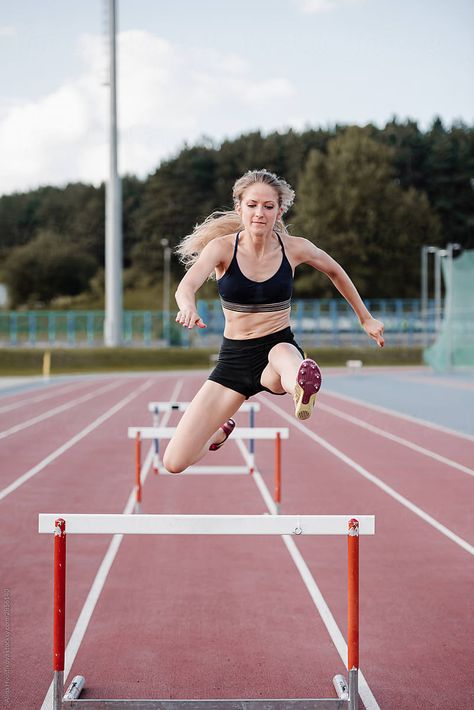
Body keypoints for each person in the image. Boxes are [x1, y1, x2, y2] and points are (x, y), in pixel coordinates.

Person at [163, 169, 384, 474]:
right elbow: (186, 286)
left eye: (268, 207)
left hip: (276, 349)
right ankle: (218, 433)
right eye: (252, 205)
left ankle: (302, 387)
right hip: (234, 361)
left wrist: (366, 317)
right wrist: (188, 307)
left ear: (279, 210)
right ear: (239, 207)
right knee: (173, 462)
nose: (260, 213)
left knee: (283, 357)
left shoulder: (293, 248)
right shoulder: (221, 249)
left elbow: (335, 271)